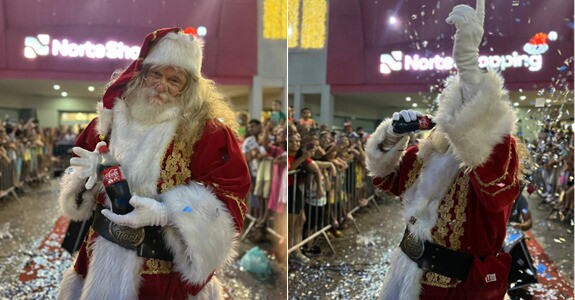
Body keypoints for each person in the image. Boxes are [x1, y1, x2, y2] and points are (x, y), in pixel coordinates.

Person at [57, 28, 250, 299]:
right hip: (99, 264)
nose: (162, 85)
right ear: (140, 73)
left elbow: (229, 203)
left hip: (162, 277)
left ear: (190, 88)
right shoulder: (109, 122)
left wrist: (168, 212)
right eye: (155, 74)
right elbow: (76, 183)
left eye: (175, 80)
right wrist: (83, 181)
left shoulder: (211, 135)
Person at [365, 1, 520, 299]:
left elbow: (494, 186)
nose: (464, 107)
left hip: (454, 289)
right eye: (460, 98)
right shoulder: (432, 150)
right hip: (404, 272)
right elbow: (386, 176)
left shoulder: (499, 152)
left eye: (473, 99)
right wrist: (392, 136)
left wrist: (468, 63)